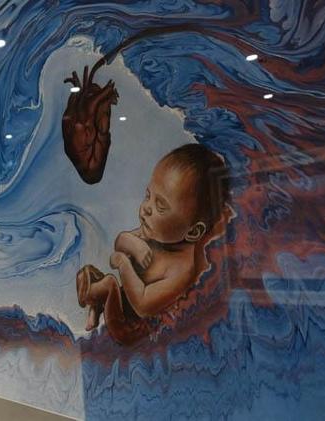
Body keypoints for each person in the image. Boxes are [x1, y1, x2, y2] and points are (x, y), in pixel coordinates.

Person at [76, 143, 229, 342]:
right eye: (148, 196)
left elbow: (142, 306)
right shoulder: (154, 234)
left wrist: (123, 264)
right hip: (121, 303)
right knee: (93, 277)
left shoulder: (182, 270)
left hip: (130, 328)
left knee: (110, 284)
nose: (146, 208)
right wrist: (132, 244)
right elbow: (121, 241)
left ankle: (101, 292)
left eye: (160, 206)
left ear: (193, 231)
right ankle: (97, 305)